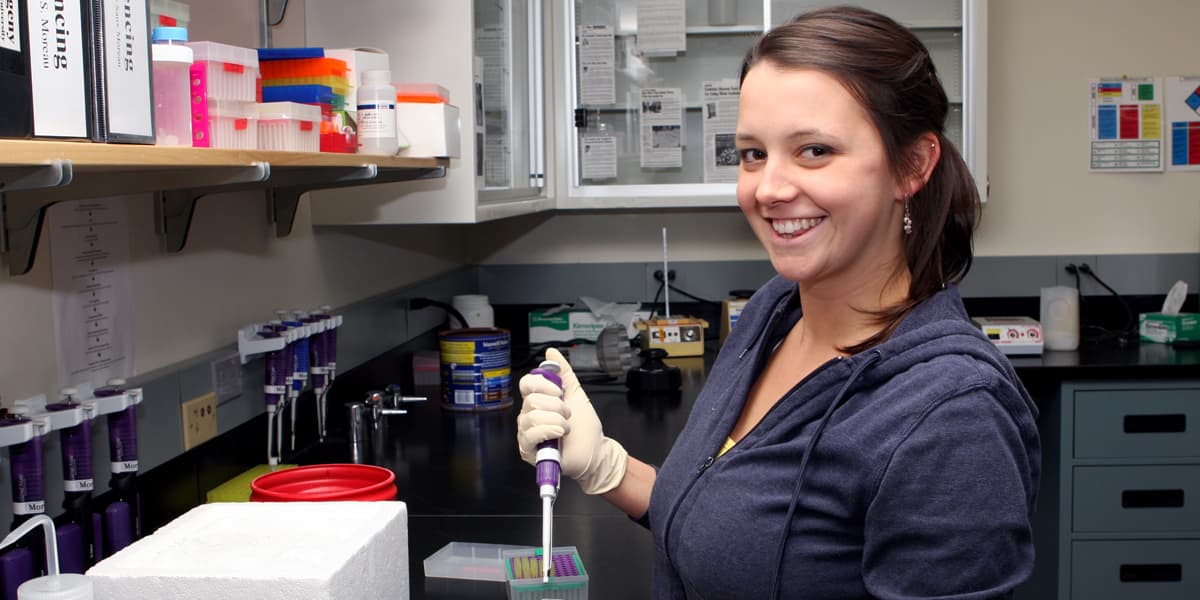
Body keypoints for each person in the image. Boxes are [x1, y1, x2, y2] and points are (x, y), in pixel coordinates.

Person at [517, 6, 1041, 599]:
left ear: (912, 166)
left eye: (814, 150)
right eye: (752, 154)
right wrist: (609, 468)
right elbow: (729, 528)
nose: (768, 188)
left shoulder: (951, 416)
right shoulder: (772, 315)